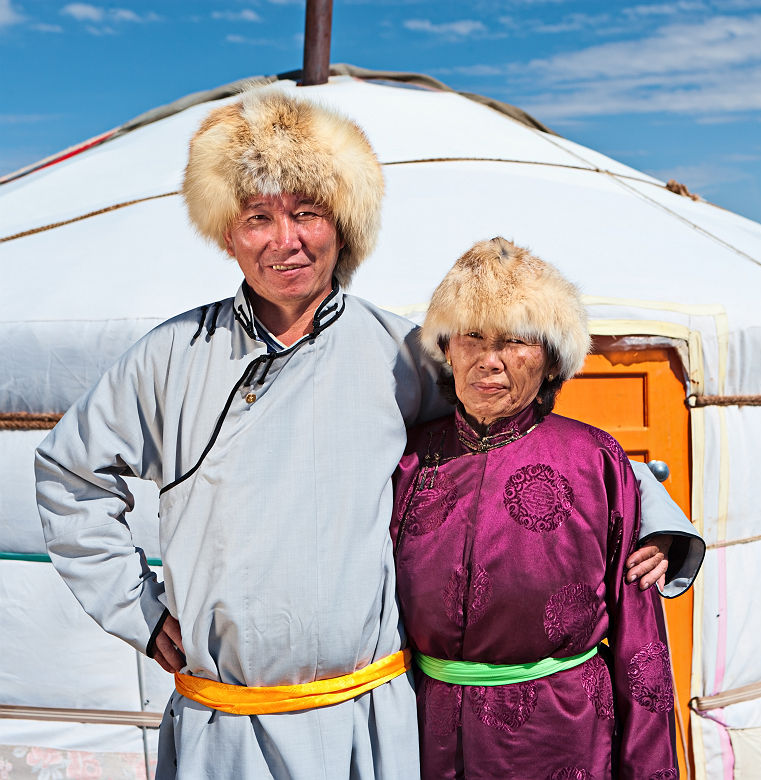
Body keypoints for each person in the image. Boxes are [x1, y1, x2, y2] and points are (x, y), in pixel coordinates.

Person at [35, 89, 698, 778]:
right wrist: (136, 612)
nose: (284, 240)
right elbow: (68, 475)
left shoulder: (400, 353)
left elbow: (515, 435)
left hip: (369, 723)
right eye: (257, 217)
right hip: (226, 722)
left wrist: (654, 518)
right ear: (226, 233)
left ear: (343, 225)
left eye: (307, 214)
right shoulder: (168, 358)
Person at [391, 237, 680, 778]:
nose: (488, 359)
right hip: (426, 728)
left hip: (562, 733)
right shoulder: (406, 457)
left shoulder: (596, 461)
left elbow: (642, 647)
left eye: (516, 340)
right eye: (471, 336)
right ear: (446, 349)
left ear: (550, 361)